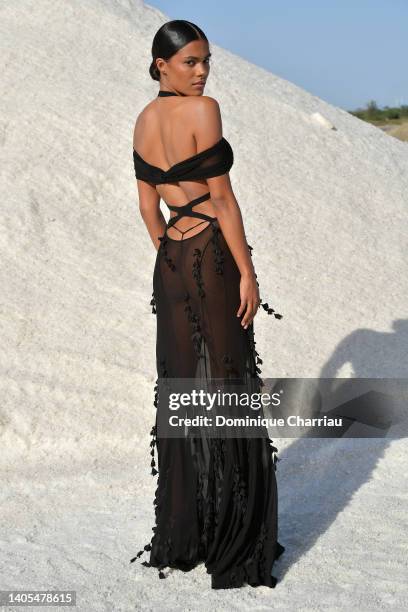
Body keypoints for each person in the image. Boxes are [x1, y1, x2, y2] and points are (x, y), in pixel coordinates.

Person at [130, 19, 285, 589]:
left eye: (205, 62)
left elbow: (149, 208)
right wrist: (246, 271)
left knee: (180, 388)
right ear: (160, 65)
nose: (201, 73)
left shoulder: (144, 121)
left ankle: (185, 534)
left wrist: (170, 255)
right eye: (190, 62)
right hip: (210, 256)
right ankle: (238, 543)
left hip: (169, 258)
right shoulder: (204, 111)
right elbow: (221, 198)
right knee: (228, 380)